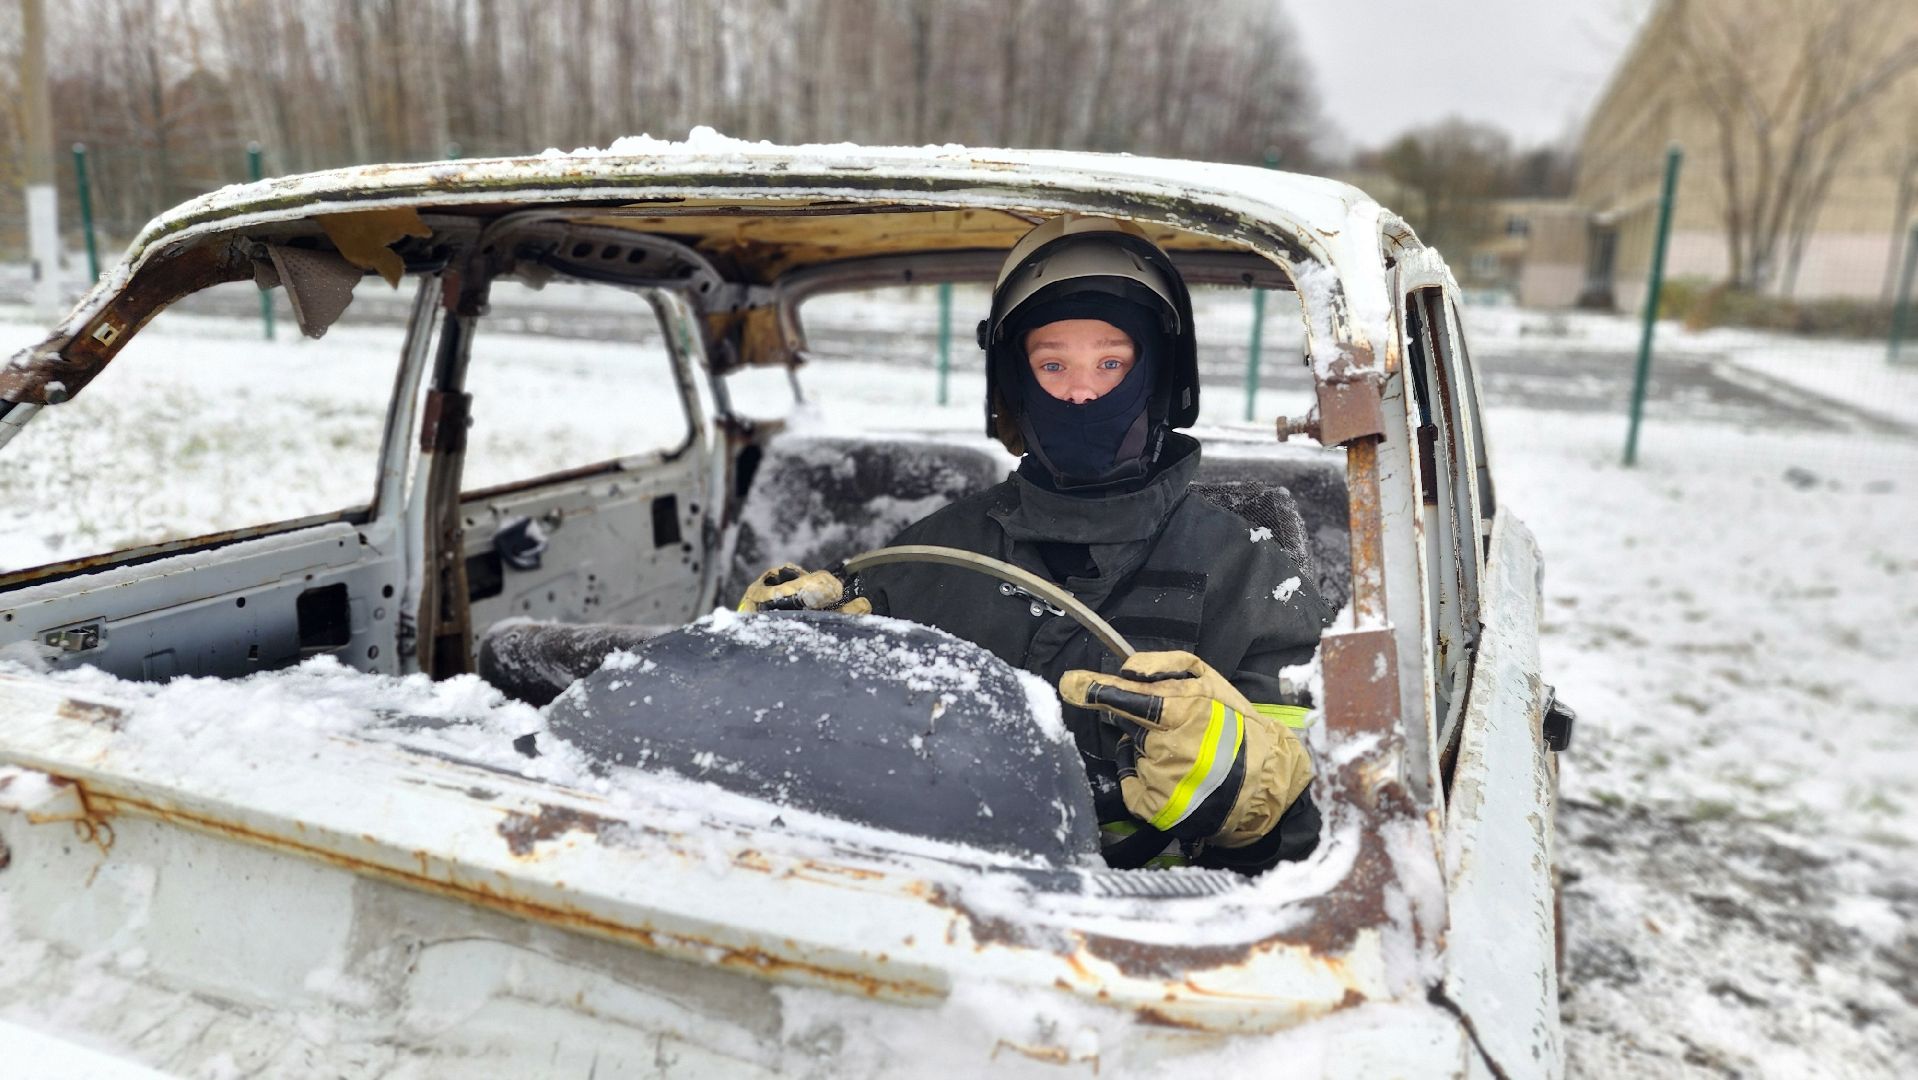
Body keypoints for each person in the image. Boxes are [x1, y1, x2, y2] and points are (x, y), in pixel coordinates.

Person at [740, 215, 1330, 874]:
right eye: (1053, 364)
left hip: (1152, 940)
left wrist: (1253, 797)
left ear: (1160, 376)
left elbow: (1330, 832)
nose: (1081, 393)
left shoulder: (1252, 578)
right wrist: (773, 653)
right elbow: (810, 756)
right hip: (920, 904)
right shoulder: (928, 555)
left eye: (1111, 363)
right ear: (1015, 383)